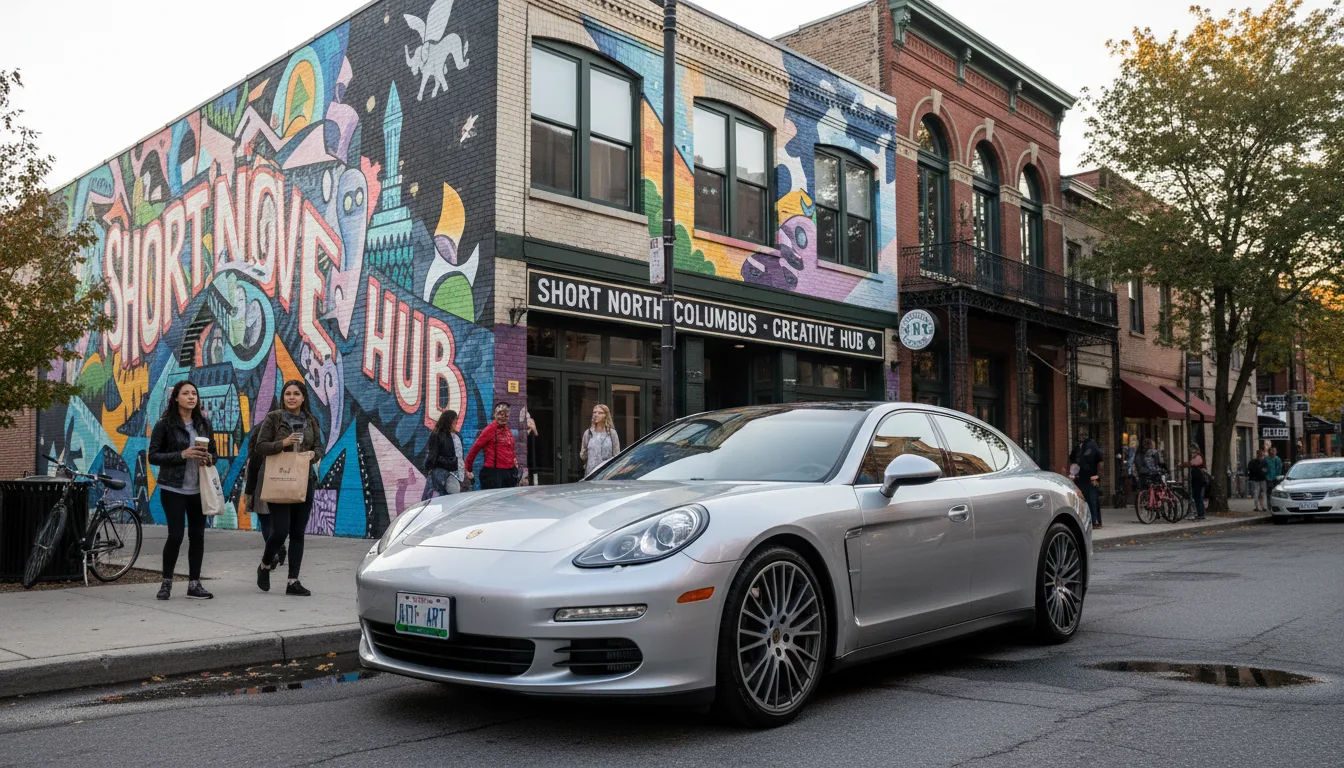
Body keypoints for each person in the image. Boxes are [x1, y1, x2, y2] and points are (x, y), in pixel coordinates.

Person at [146, 380, 217, 601]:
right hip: (173, 488)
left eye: (194, 393)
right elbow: (153, 456)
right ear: (176, 397)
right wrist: (182, 455)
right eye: (185, 393)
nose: (191, 397)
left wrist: (209, 458)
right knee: (175, 535)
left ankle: (194, 584)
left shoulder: (204, 424)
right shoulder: (165, 424)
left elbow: (214, 452)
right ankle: (166, 583)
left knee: (198, 536)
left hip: (198, 488)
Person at [253, 380, 324, 596]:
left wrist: (314, 454)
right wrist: (283, 444)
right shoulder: (274, 418)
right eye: (287, 394)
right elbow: (260, 446)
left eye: (295, 394)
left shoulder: (311, 420)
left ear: (303, 397)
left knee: (298, 533)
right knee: (280, 531)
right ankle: (265, 565)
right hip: (279, 478)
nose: (291, 397)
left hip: (304, 480)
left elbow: (319, 446)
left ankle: (293, 581)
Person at [465, 401, 522, 489]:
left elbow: (510, 449)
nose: (503, 417)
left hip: (508, 472)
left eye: (506, 414)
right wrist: (468, 468)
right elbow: (475, 448)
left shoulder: (507, 430)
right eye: (500, 414)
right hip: (494, 472)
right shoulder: (490, 429)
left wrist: (514, 462)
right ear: (495, 414)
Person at [422, 409, 464, 500]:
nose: (456, 421)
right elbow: (434, 455)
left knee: (448, 499)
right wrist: (450, 463)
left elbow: (459, 456)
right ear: (448, 420)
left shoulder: (455, 436)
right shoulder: (438, 435)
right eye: (454, 419)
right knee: (445, 499)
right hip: (443, 472)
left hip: (453, 473)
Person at [1067, 427, 1104, 528]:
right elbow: (1073, 462)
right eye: (1079, 435)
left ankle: (1095, 521)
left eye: (1083, 435)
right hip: (1080, 478)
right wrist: (1073, 474)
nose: (1081, 436)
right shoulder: (1077, 449)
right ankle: (1085, 521)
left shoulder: (1092, 446)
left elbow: (1100, 462)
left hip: (1091, 477)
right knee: (1082, 500)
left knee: (1092, 499)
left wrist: (1098, 476)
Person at [580, 404, 621, 476]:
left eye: (600, 413)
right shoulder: (588, 433)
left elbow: (616, 455)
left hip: (606, 473)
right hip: (590, 473)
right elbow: (583, 455)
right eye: (594, 412)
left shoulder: (612, 433)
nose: (596, 415)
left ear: (605, 415)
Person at [1185, 443, 1208, 520]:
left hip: (1198, 479)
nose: (1191, 453)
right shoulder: (1196, 457)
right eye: (1191, 451)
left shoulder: (1198, 457)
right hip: (1196, 479)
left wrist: (1184, 464)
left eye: (1192, 451)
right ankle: (1200, 512)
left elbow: (1193, 463)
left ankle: (1201, 514)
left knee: (1198, 497)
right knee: (1196, 496)